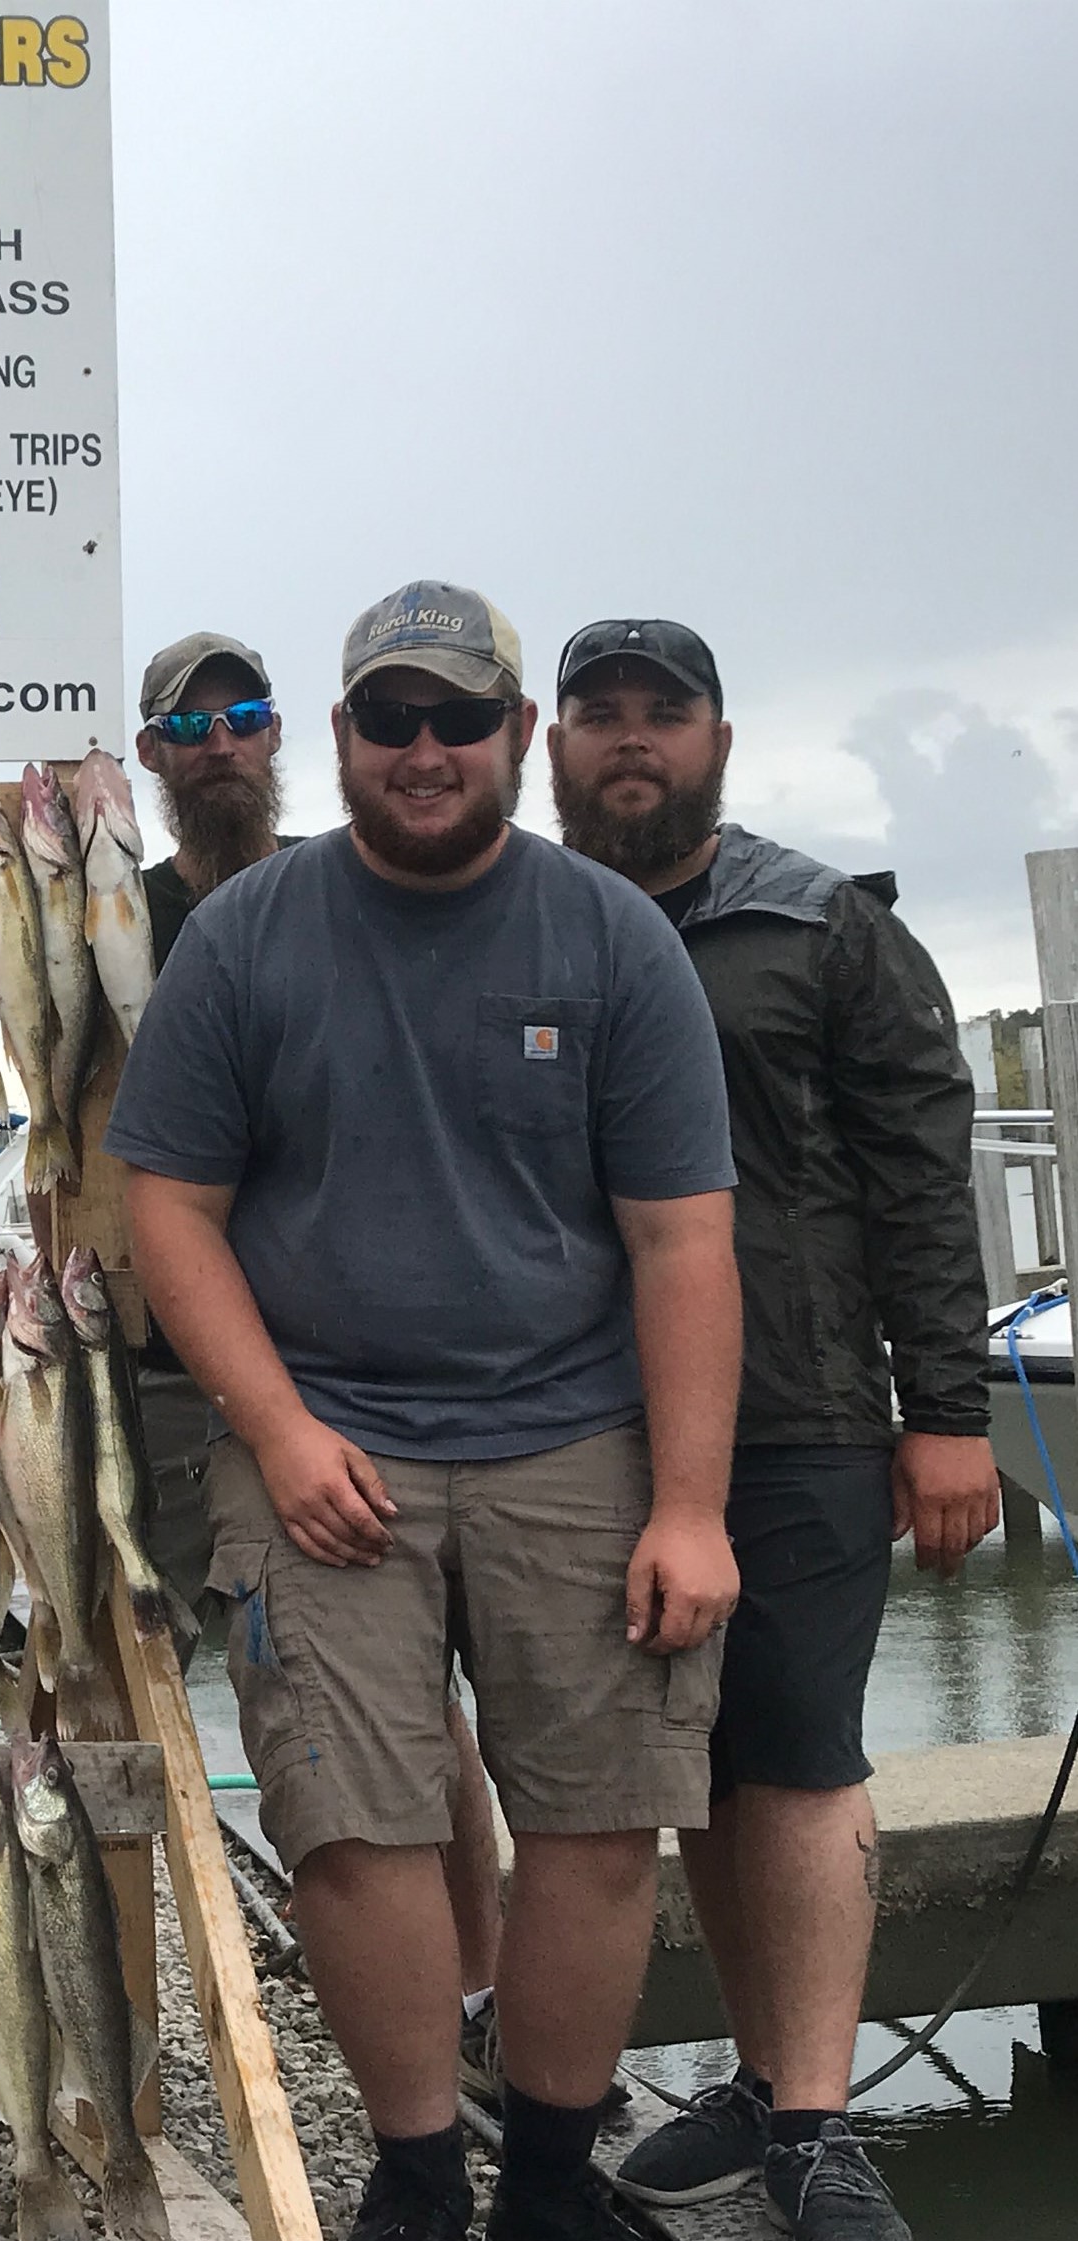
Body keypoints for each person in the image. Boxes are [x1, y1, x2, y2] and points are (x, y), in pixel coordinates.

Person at [107, 581, 745, 2241]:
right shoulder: (242, 938)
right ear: (339, 740)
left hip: (574, 1436)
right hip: (321, 1444)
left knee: (599, 1823)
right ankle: (407, 2178)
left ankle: (543, 2179)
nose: (422, 747)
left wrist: (687, 1503)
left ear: (513, 738)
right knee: (346, 1827)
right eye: (387, 717)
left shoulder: (612, 941)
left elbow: (681, 1239)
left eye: (457, 717)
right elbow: (165, 1206)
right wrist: (276, 1426)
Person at [549, 618, 999, 2240]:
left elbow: (919, 1176)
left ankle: (812, 2121)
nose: (627, 740)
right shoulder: (522, 922)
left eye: (658, 713)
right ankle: (755, 2073)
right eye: (594, 713)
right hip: (581, 1420)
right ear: (549, 743)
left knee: (798, 1754)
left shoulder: (823, 926)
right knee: (695, 1762)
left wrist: (944, 1411)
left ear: (718, 740)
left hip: (802, 1406)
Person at [130, 631, 510, 2042]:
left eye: (246, 715)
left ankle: (475, 1986)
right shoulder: (119, 924)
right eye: (191, 721)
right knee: (161, 1674)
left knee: (418, 1701)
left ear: (283, 734)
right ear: (152, 753)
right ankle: (142, 2004)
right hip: (168, 1375)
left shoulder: (355, 892)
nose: (222, 740)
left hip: (356, 1373)